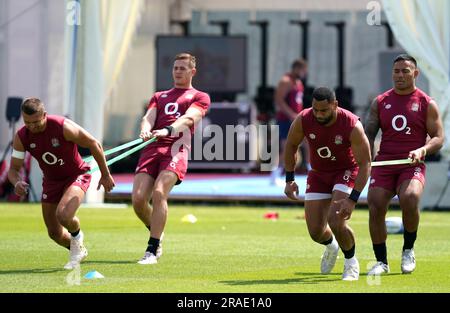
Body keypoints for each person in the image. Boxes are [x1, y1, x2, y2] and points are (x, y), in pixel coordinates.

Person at [8, 98, 115, 269]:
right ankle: (77, 248)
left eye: (36, 122)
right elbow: (13, 169)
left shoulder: (63, 126)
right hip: (51, 181)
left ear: (44, 115)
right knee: (54, 233)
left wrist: (105, 174)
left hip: (77, 175)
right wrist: (17, 183)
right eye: (27, 122)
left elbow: (94, 144)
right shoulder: (21, 137)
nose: (32, 126)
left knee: (64, 215)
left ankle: (77, 237)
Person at [365, 54, 444, 275]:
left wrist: (423, 149)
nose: (399, 76)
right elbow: (368, 133)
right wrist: (366, 159)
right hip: (384, 163)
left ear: (415, 73)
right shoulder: (380, 102)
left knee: (410, 198)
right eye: (396, 71)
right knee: (375, 204)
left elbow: (438, 138)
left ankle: (408, 249)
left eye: (405, 71)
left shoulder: (427, 103)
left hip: (411, 163)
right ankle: (382, 262)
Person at [284, 87, 371, 281]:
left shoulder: (351, 124)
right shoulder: (304, 118)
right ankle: (332, 246)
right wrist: (289, 179)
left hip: (345, 172)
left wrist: (353, 199)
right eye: (315, 109)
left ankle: (351, 262)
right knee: (315, 232)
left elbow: (365, 164)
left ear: (335, 105)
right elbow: (291, 145)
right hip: (318, 174)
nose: (318, 114)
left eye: (323, 110)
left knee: (336, 219)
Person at [132, 53, 210, 265]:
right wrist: (145, 130)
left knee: (159, 192)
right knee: (138, 200)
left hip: (176, 147)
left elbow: (189, 118)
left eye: (183, 68)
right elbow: (148, 117)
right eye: (175, 68)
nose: (177, 72)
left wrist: (168, 129)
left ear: (192, 72)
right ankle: (157, 229)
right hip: (151, 148)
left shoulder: (200, 96)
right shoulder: (159, 95)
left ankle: (152, 248)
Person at [271, 59, 309, 185]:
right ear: (297, 68)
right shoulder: (286, 81)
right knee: (287, 149)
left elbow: (298, 103)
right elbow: (279, 100)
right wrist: (291, 115)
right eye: (303, 71)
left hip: (297, 120)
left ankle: (311, 171)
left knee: (308, 143)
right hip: (285, 120)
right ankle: (274, 174)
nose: (304, 74)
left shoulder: (298, 83)